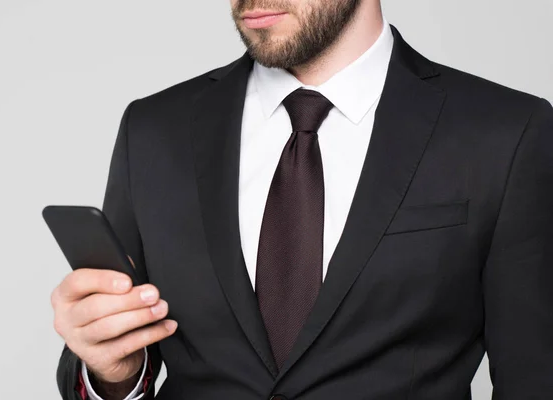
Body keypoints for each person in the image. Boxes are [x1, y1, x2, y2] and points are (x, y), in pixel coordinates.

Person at [51, 0, 553, 399]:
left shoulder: (505, 133)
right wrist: (112, 375)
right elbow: (117, 353)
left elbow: (535, 379)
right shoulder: (154, 130)